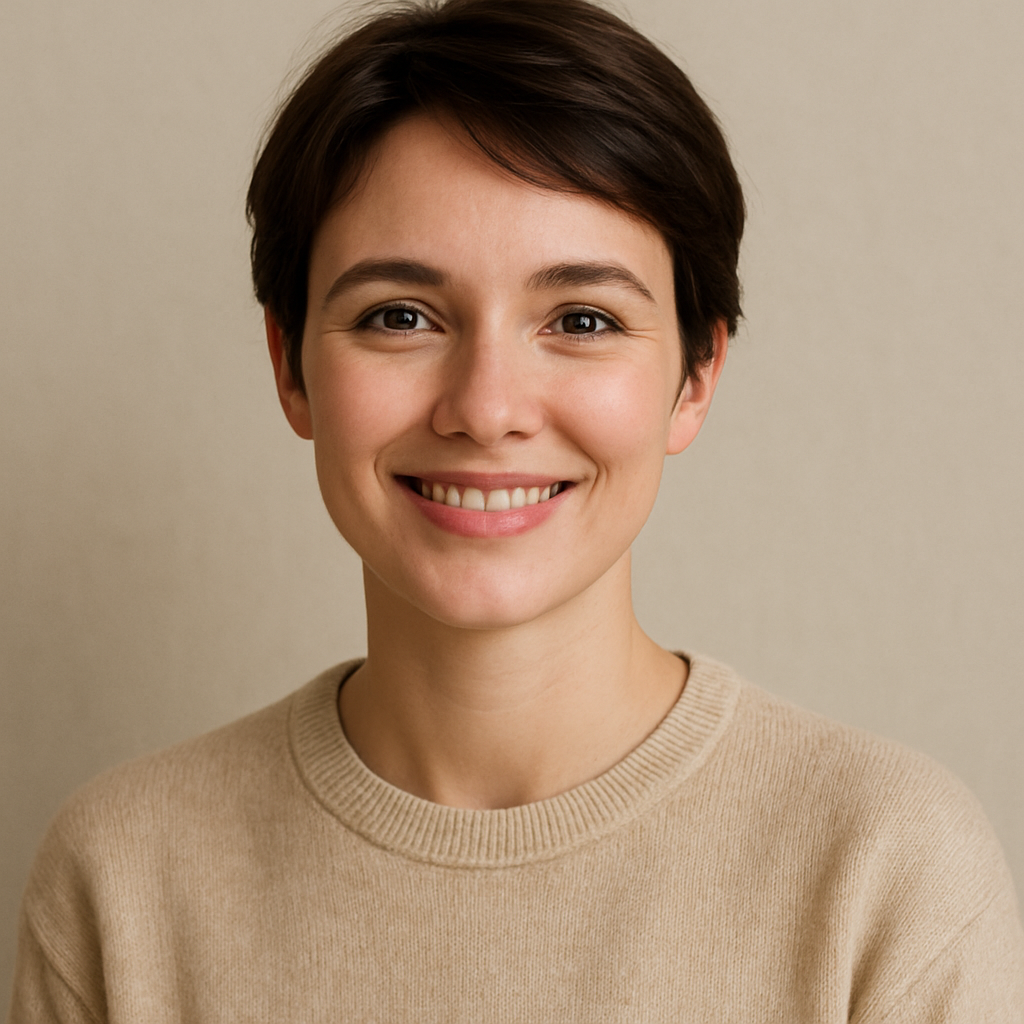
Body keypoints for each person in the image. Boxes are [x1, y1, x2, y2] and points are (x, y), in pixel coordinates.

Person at [8, 0, 1024, 1020]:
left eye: (582, 319)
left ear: (696, 371)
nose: (486, 409)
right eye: (398, 316)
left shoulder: (885, 871)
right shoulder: (122, 880)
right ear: (290, 366)